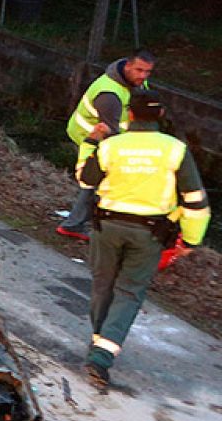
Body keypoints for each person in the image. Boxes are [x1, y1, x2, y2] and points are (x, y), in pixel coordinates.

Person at [75, 90, 209, 388]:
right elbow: (195, 200)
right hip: (150, 233)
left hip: (106, 227)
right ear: (160, 115)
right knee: (130, 292)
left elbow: (86, 180)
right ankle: (101, 355)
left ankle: (100, 344)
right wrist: (190, 240)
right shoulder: (175, 150)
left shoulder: (112, 146)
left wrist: (90, 142)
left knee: (102, 284)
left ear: (130, 114)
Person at [58, 51, 156, 239]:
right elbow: (111, 135)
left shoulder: (133, 81)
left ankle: (85, 221)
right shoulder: (109, 95)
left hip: (105, 134)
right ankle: (74, 224)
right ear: (127, 65)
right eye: (139, 70)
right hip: (90, 136)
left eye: (148, 72)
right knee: (94, 180)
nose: (143, 76)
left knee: (97, 181)